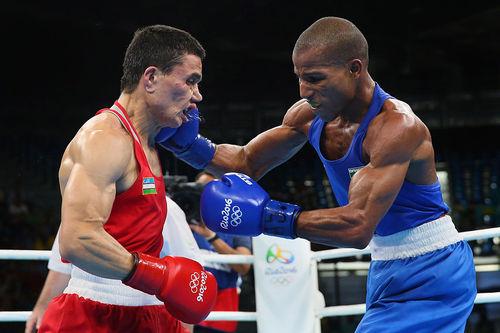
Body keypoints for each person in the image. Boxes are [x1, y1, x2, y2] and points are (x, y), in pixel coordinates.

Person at [159, 17, 477, 332]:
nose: (304, 90)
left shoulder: (396, 128)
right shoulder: (308, 116)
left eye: (315, 78)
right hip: (386, 264)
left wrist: (269, 216)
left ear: (355, 69)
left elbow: (357, 225)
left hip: (433, 267)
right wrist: (188, 145)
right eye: (299, 77)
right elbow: (246, 162)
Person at [39, 25, 217, 333]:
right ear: (150, 79)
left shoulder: (148, 140)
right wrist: (160, 276)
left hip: (150, 311)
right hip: (96, 311)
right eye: (190, 81)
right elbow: (77, 240)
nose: (196, 96)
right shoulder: (104, 139)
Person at [26, 196, 202, 333]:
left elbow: (189, 279)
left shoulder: (165, 207)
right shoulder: (80, 205)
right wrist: (42, 306)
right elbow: (64, 261)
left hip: (145, 308)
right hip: (82, 303)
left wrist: (184, 329)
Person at [189, 172, 252, 333]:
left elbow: (243, 267)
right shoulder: (183, 221)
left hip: (222, 304)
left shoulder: (237, 225)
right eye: (202, 189)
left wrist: (211, 237)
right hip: (187, 300)